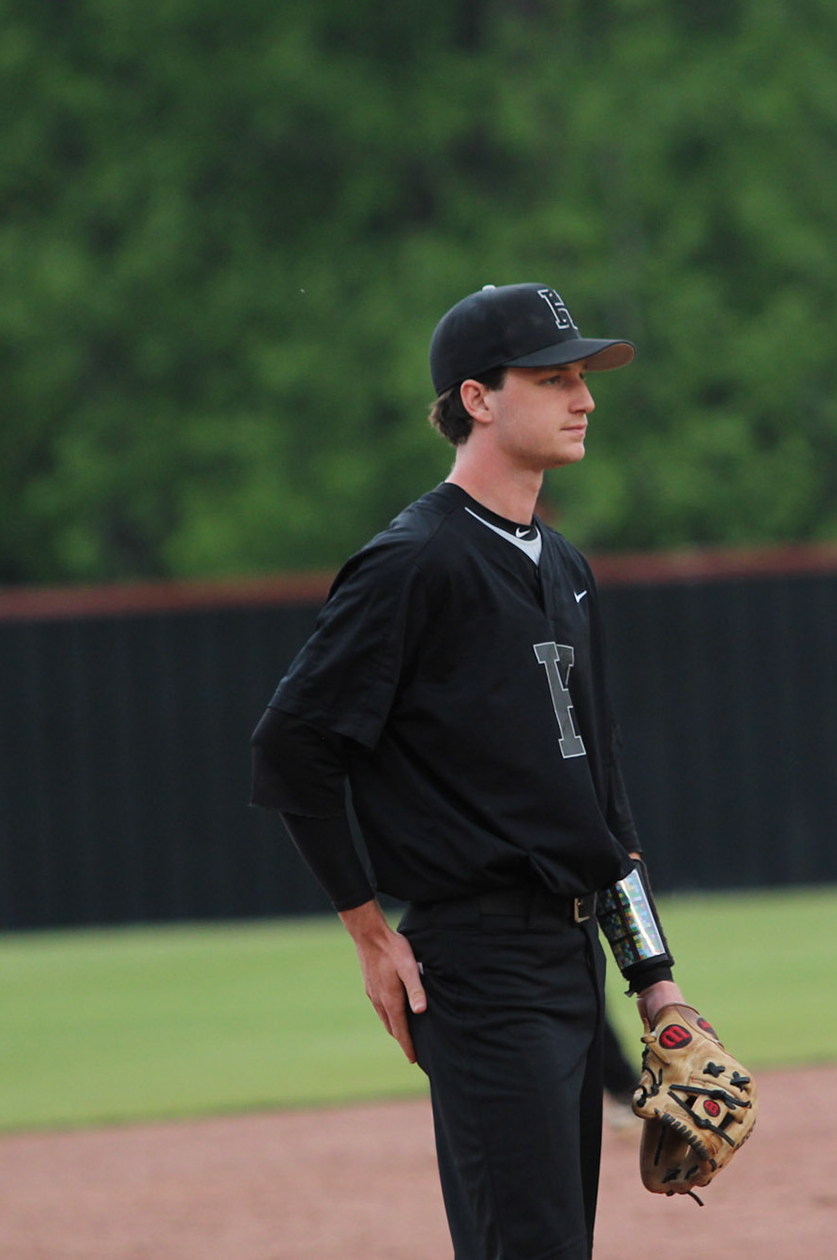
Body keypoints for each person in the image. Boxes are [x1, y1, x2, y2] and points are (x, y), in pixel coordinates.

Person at [251, 282, 690, 1259]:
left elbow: (602, 805)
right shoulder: (414, 562)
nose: (584, 398)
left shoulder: (565, 567)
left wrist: (653, 979)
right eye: (554, 378)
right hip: (481, 965)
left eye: (583, 377)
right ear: (478, 398)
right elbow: (291, 744)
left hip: (571, 964)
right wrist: (369, 930)